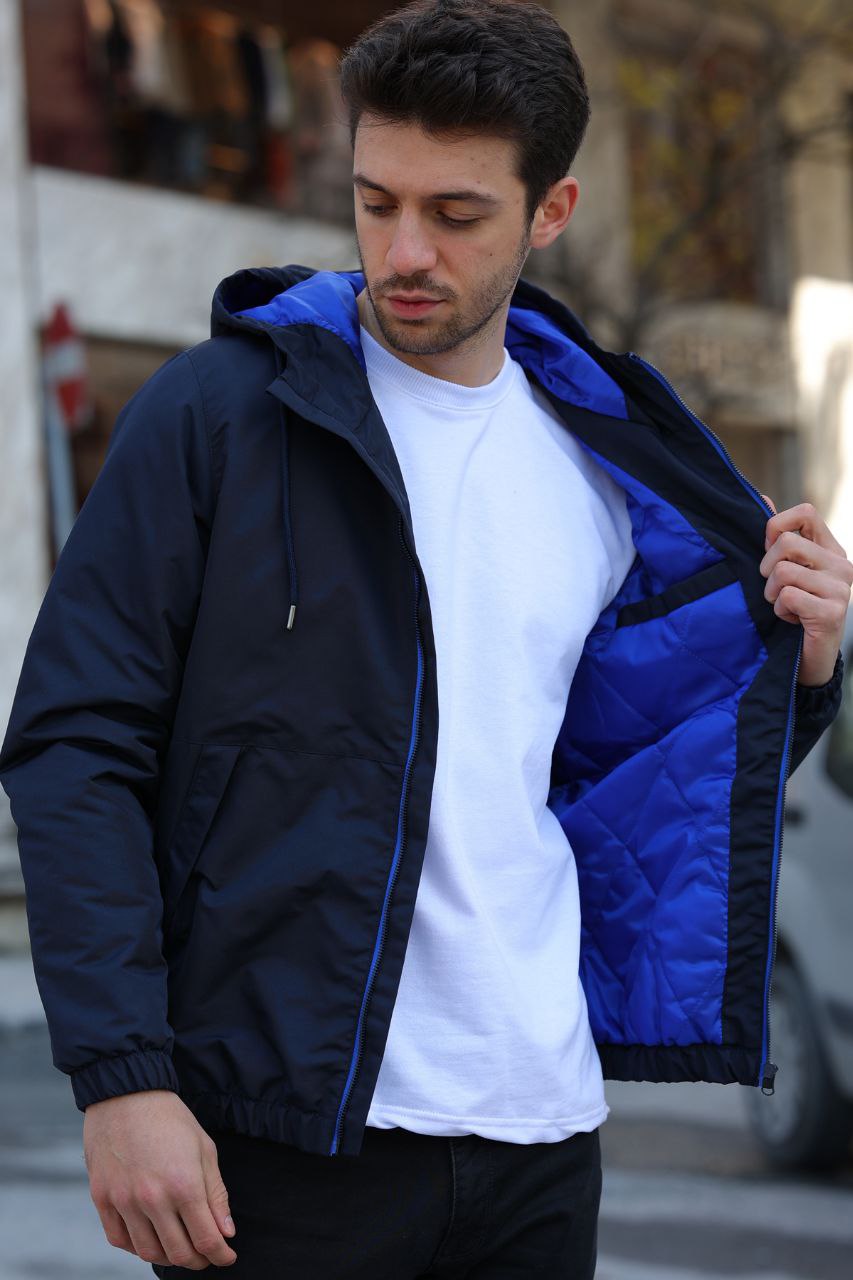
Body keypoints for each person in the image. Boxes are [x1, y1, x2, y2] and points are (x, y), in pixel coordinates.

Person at [1, 1, 850, 1276]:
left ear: (550, 211)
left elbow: (640, 776)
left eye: (455, 214)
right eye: (375, 201)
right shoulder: (222, 415)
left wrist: (806, 660)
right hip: (281, 1132)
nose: (403, 250)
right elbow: (76, 742)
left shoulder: (613, 466)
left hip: (540, 1128)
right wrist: (122, 1075)